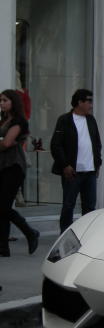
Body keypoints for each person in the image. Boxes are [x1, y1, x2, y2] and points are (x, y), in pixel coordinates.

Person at [50, 88, 102, 233]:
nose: (91, 105)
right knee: (68, 205)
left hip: (90, 171)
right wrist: (65, 165)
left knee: (90, 206)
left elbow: (97, 143)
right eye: (89, 101)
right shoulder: (65, 120)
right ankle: (64, 234)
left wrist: (98, 164)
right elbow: (56, 145)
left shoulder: (91, 120)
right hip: (72, 171)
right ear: (80, 102)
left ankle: (86, 235)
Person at [0, 89, 39, 256]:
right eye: (0, 101)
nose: (1, 103)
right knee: (2, 207)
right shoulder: (4, 120)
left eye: (4, 100)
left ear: (13, 102)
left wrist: (4, 142)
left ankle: (30, 232)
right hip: (3, 165)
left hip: (14, 166)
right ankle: (3, 248)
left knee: (2, 206)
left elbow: (7, 143)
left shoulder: (19, 121)